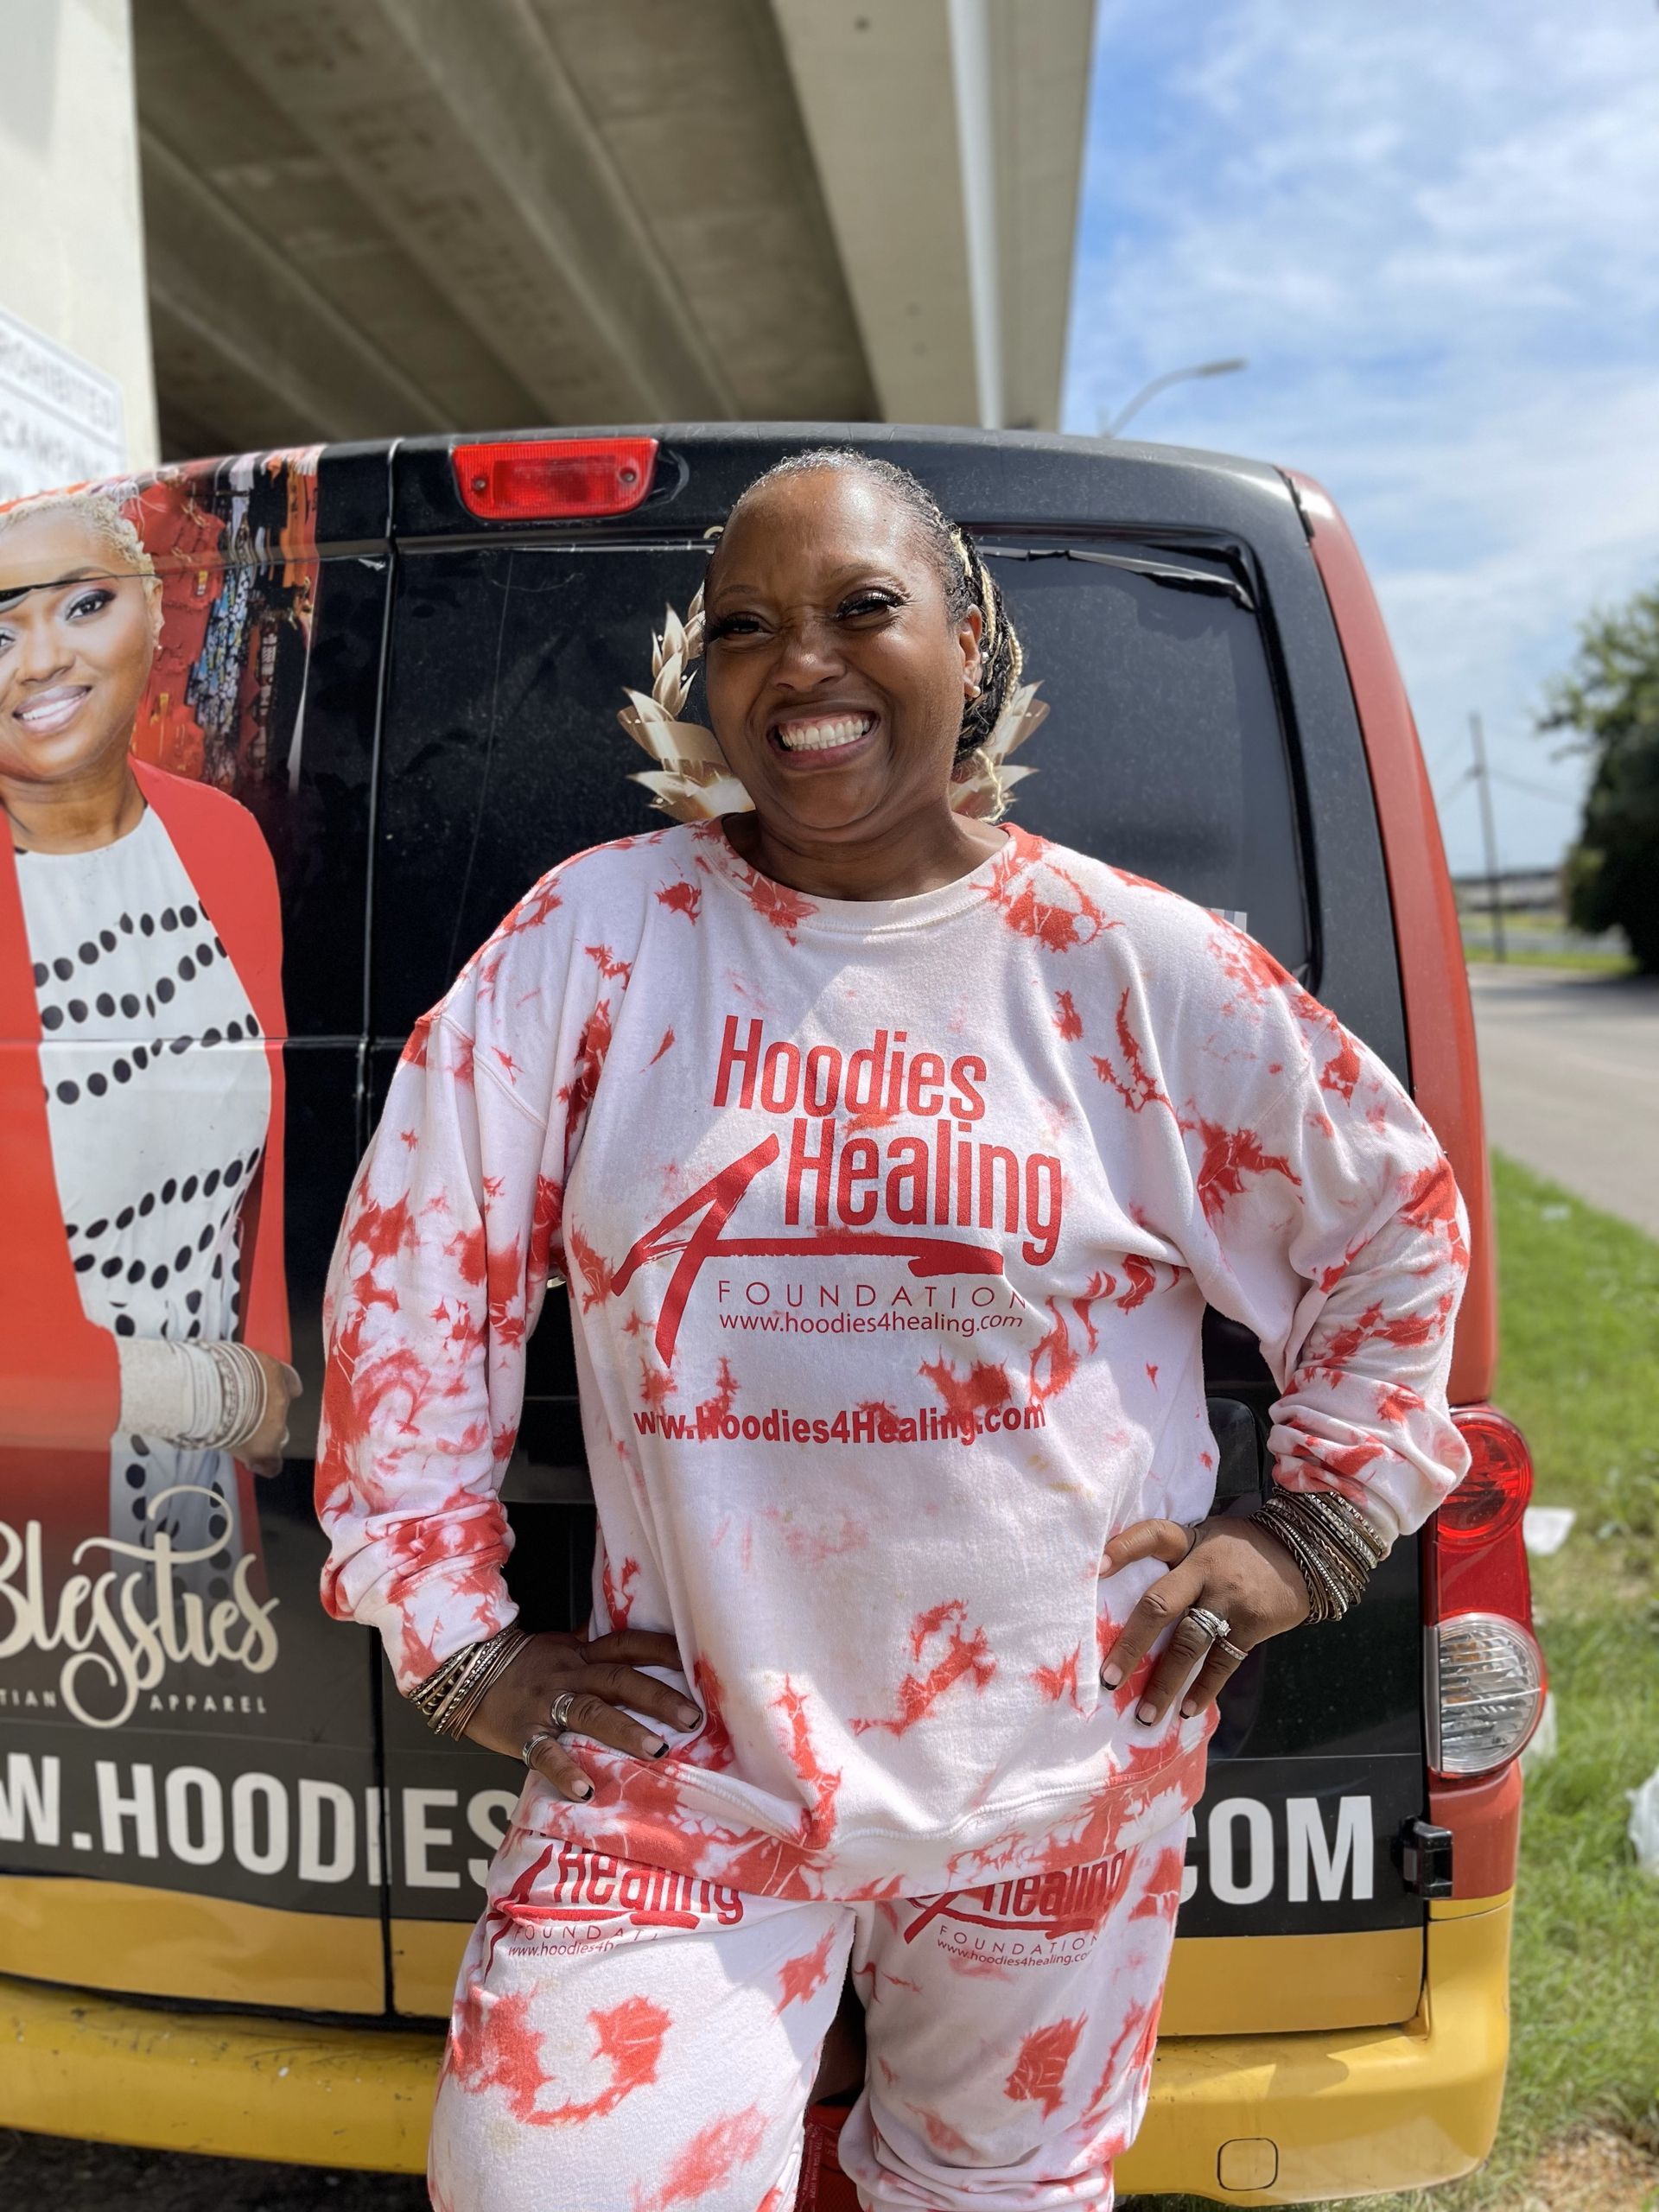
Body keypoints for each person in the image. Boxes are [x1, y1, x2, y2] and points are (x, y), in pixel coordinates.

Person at [316, 449, 1471, 2212]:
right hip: (691, 1768)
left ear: (971, 635)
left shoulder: (1127, 964)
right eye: (747, 629)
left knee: (991, 2192)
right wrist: (457, 1637)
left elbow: (1392, 1223)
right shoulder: (600, 938)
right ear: (701, 680)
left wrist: (1309, 1524)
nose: (806, 666)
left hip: (1058, 1771)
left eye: (864, 607)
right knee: (546, 2177)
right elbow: (419, 1272)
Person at [0, 487, 299, 1594]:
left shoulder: (221, 842)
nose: (38, 660)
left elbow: (260, 1162)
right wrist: (212, 1393)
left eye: (82, 606)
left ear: (155, 623)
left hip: (207, 1497)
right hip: (31, 1513)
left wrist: (262, 1375)